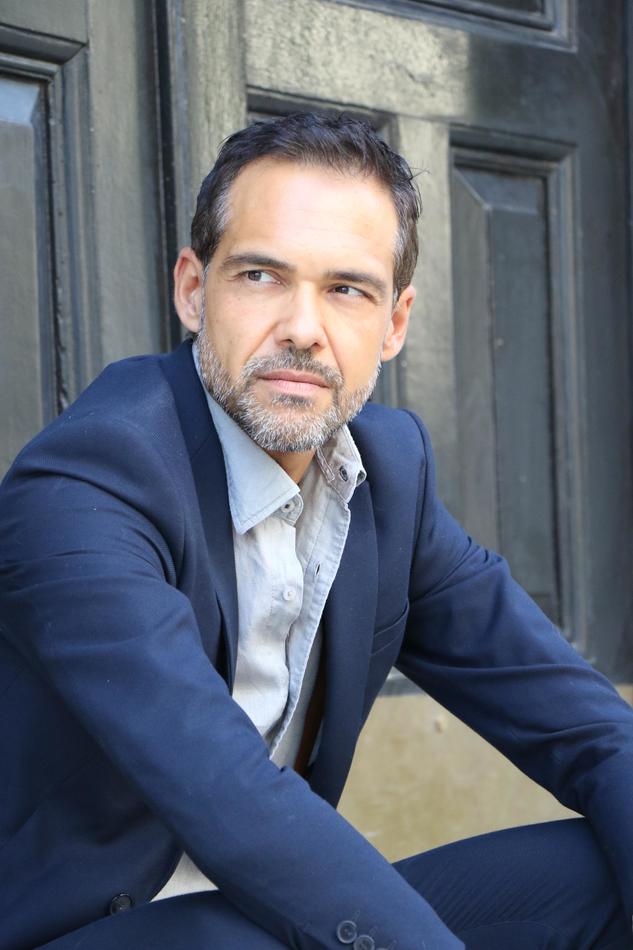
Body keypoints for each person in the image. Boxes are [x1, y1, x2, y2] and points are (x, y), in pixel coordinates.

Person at [1, 112, 632, 950]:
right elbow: (225, 792)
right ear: (193, 290)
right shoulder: (88, 484)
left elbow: (585, 728)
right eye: (261, 275)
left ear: (394, 322)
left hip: (267, 915)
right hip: (83, 928)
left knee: (599, 866)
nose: (303, 328)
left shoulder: (388, 473)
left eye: (346, 289)